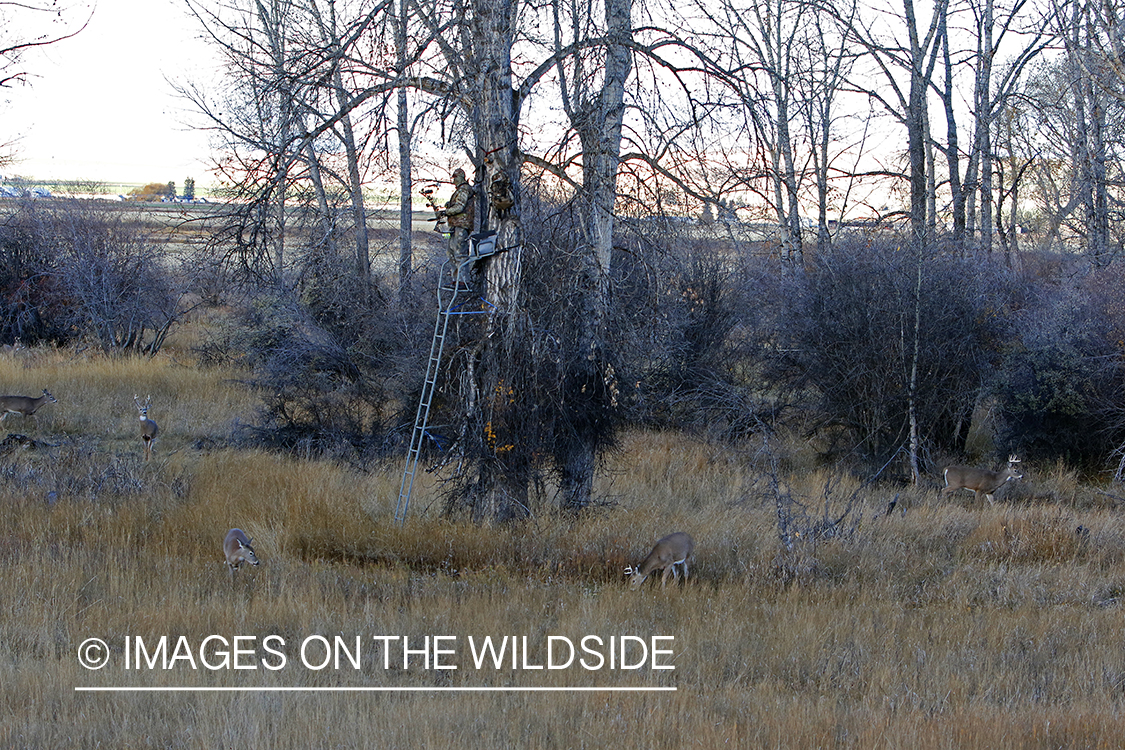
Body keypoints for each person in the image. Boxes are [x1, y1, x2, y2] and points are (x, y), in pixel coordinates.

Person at [443, 168, 475, 265]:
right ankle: (455, 279)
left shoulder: (464, 189)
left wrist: (446, 212)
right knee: (451, 253)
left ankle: (462, 279)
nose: (454, 181)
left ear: (460, 177)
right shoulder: (460, 191)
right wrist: (450, 204)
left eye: (455, 178)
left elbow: (459, 207)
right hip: (455, 226)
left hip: (461, 226)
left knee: (460, 254)